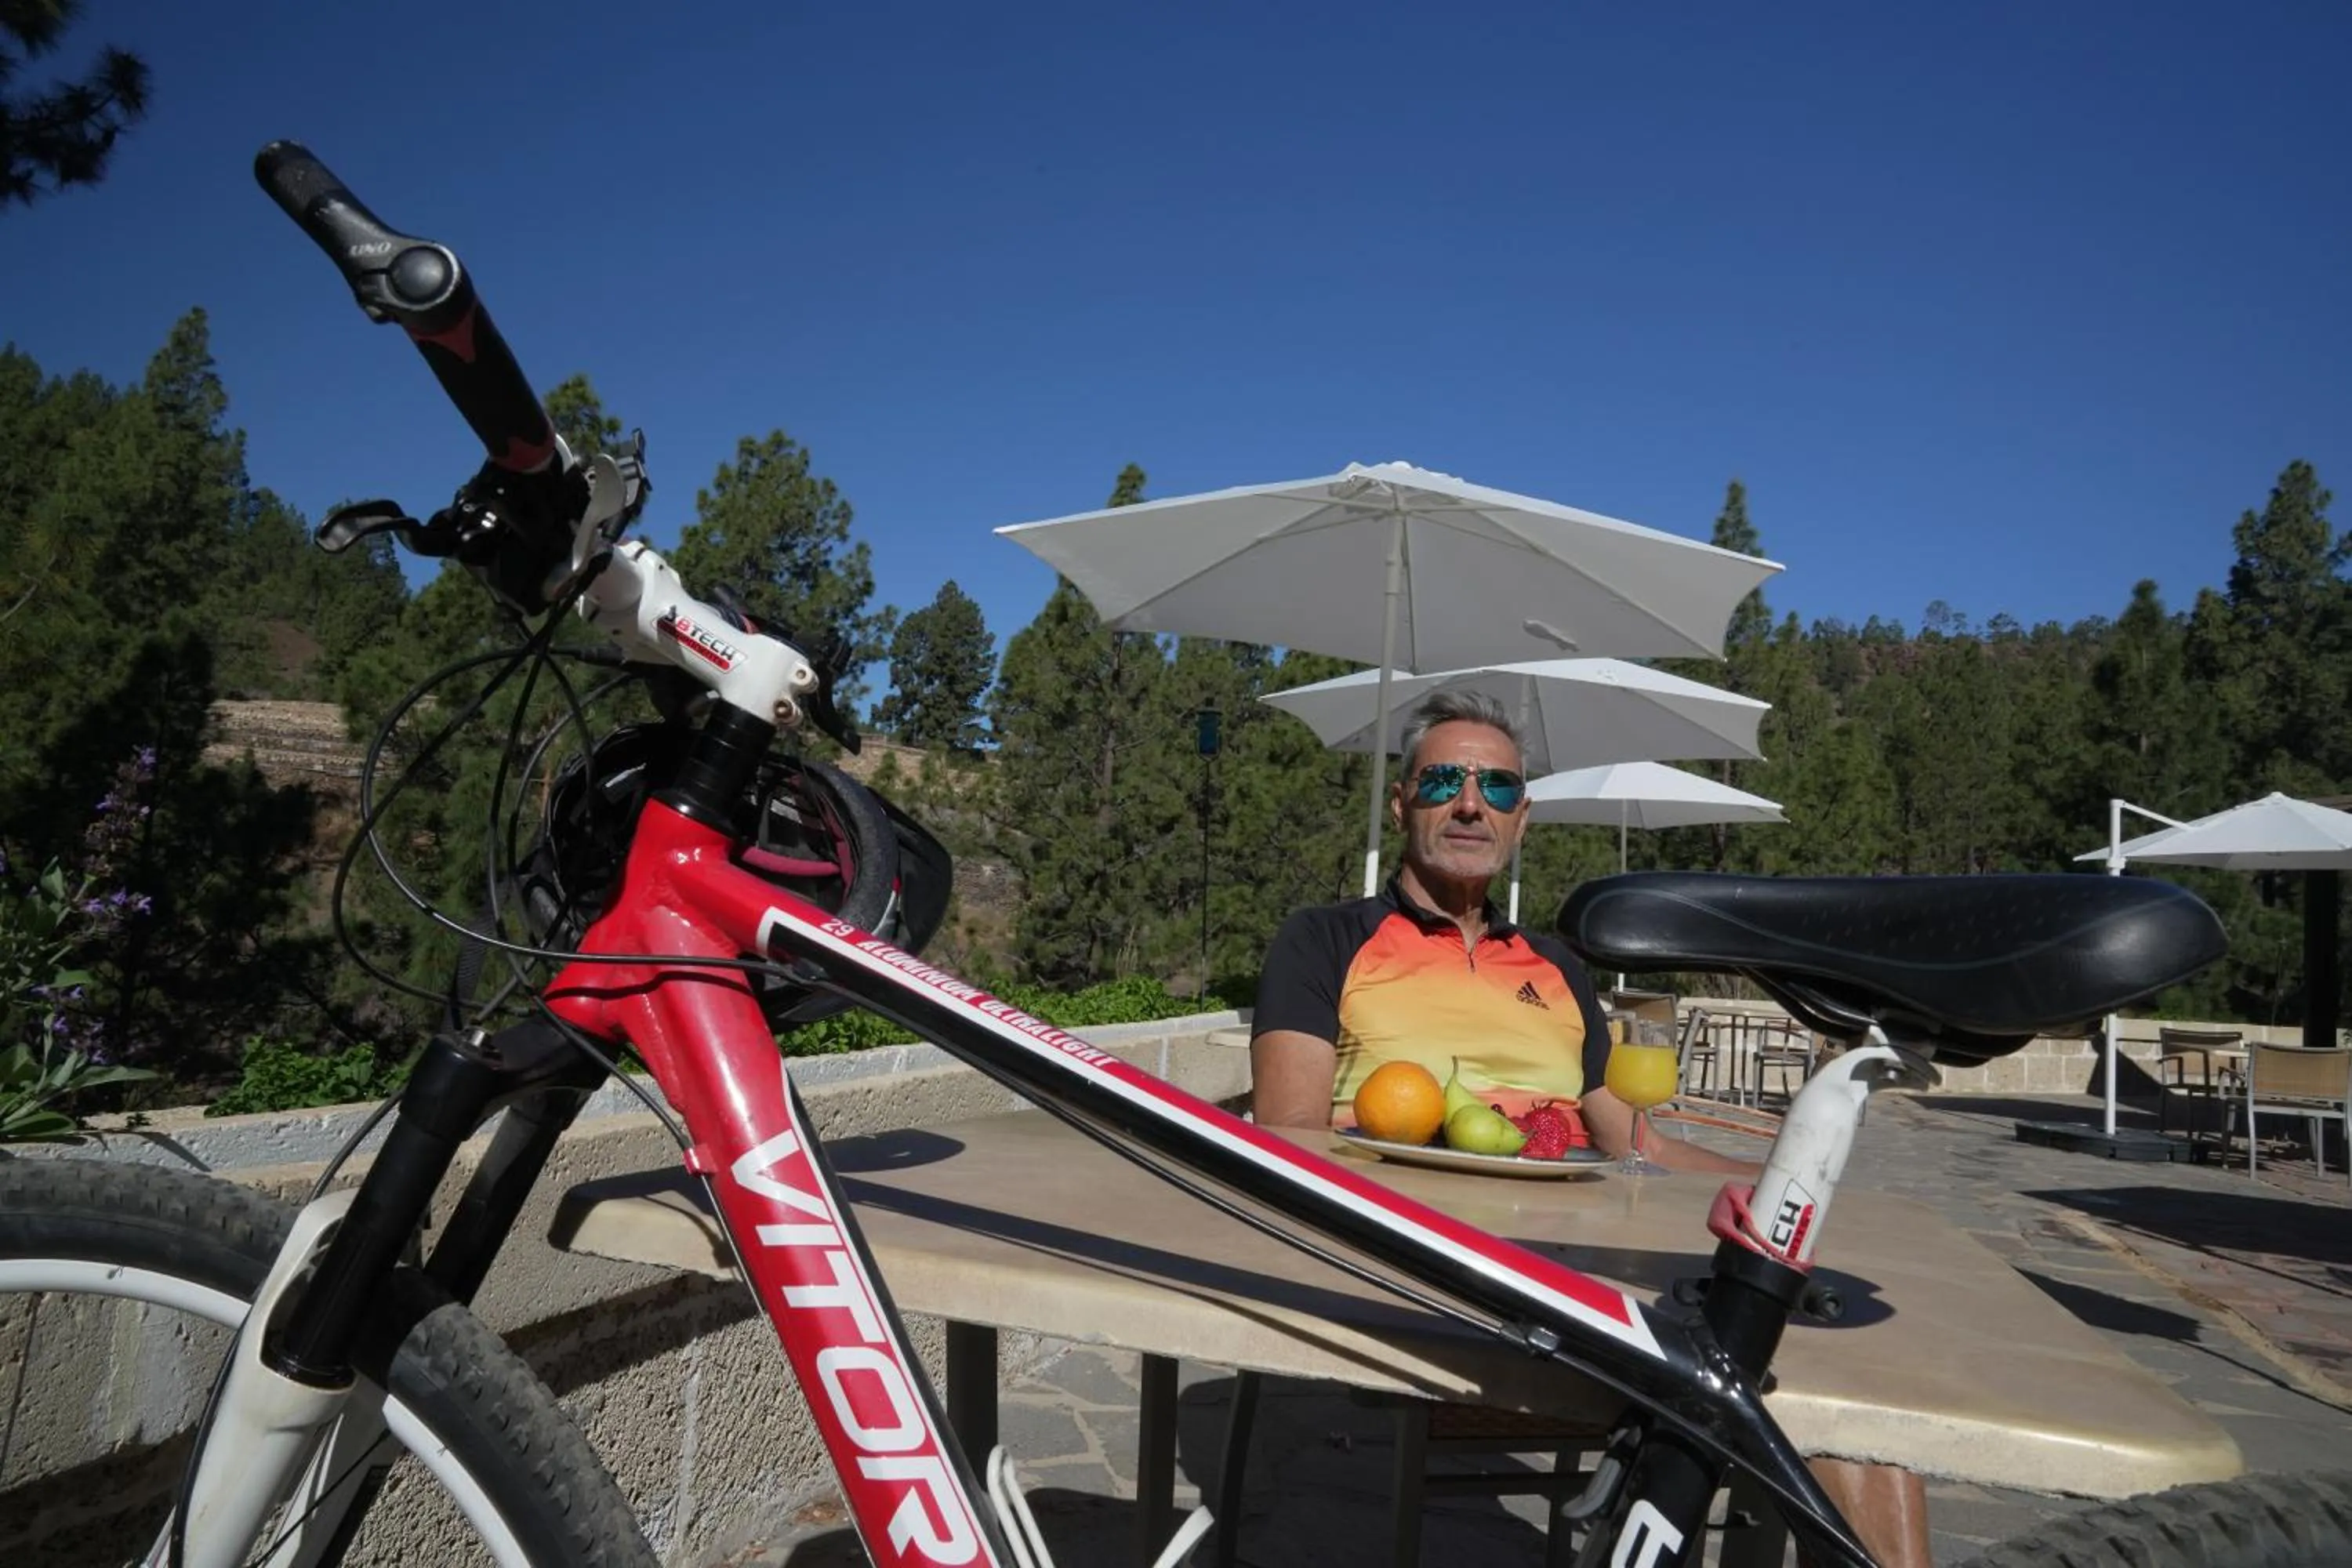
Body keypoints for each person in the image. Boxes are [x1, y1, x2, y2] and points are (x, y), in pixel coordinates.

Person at [1247, 688, 1930, 1568]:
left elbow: (1634, 1145)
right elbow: (1290, 1133)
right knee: (1756, 1371)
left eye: (1496, 788)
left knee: (1828, 1355)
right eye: (1444, 780)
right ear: (1401, 801)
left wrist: (1794, 1183)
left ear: (1521, 817)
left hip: (1582, 1264)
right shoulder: (1326, 938)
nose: (1468, 803)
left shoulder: (1558, 965)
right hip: (1417, 1263)